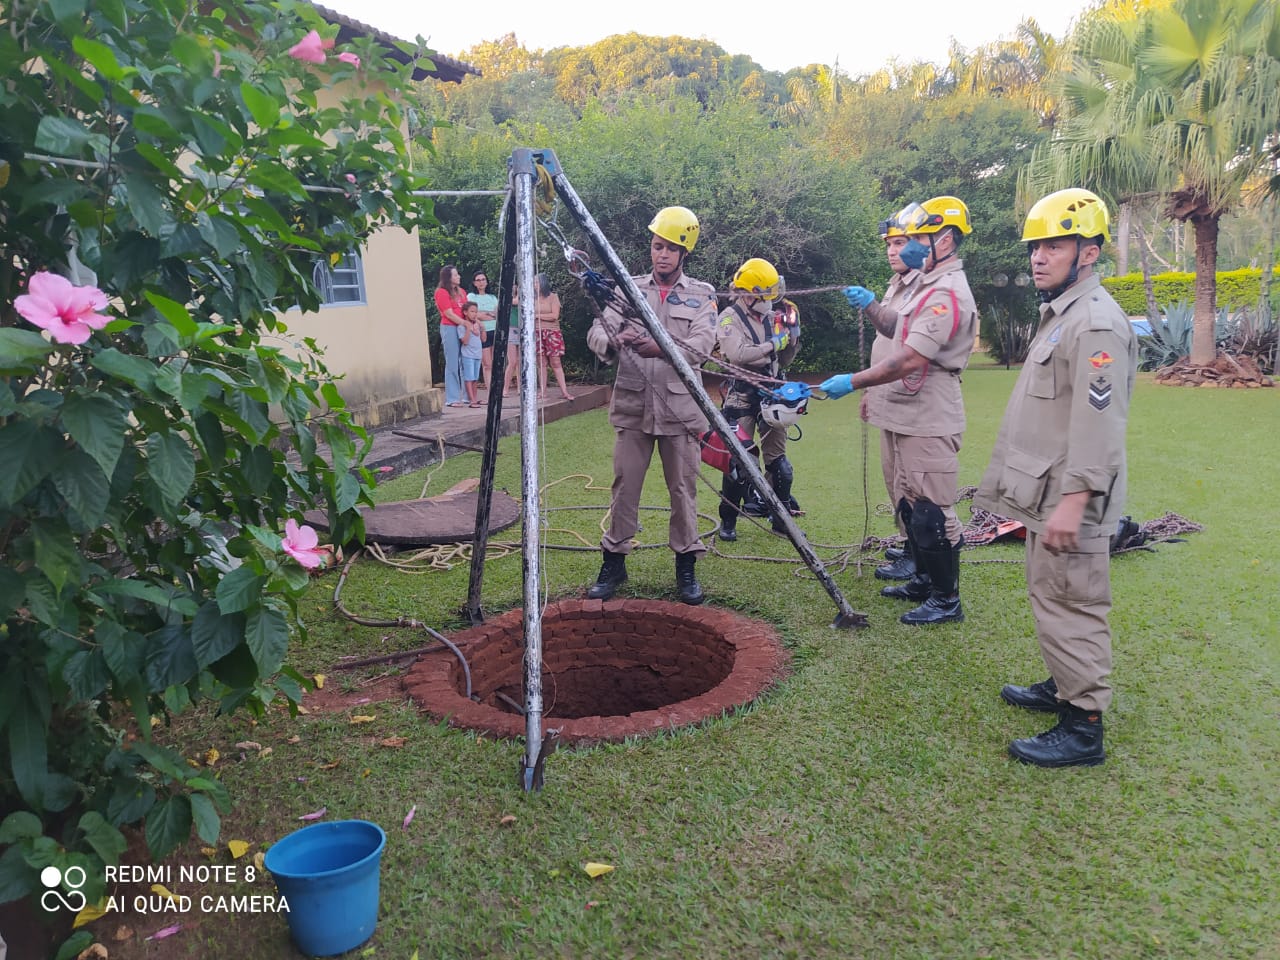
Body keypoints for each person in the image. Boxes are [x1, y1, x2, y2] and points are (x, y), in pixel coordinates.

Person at [974, 188, 1137, 768]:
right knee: (1052, 595)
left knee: (1073, 603)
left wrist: (1076, 499)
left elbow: (1100, 424)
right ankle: (1062, 683)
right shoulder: (1062, 315)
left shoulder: (1094, 324)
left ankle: (1082, 725)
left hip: (1072, 496)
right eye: (1034, 246)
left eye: (1054, 244)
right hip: (1048, 491)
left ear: (1089, 252)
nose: (1038, 257)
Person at [820, 196, 978, 626]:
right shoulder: (924, 284)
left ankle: (946, 599)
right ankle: (925, 580)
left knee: (931, 509)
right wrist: (872, 304)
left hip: (928, 409)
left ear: (944, 241)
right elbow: (896, 326)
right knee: (908, 501)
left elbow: (910, 358)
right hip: (904, 406)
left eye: (918, 238)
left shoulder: (946, 292)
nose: (906, 246)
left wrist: (851, 382)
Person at [585, 205, 718, 604]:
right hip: (632, 405)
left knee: (683, 489)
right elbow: (597, 331)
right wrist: (612, 337)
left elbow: (702, 345)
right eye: (657, 246)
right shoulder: (629, 288)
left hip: (680, 410)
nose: (661, 254)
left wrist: (659, 347)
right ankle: (614, 561)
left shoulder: (702, 294)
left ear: (684, 254)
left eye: (670, 248)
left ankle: (686, 565)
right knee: (625, 486)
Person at [860, 211, 927, 580]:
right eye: (888, 245)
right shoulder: (895, 285)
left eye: (899, 243)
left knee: (911, 481)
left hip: (911, 400)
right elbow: (883, 342)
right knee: (892, 477)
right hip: (886, 395)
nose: (891, 251)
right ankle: (908, 542)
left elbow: (908, 342)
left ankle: (919, 555)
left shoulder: (925, 287)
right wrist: (870, 391)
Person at [714, 257, 801, 540]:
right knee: (739, 463)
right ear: (749, 294)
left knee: (780, 465)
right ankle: (728, 521)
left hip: (772, 395)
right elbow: (738, 354)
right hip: (740, 398)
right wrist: (772, 344)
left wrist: (793, 335)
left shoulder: (772, 317)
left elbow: (784, 359)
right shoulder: (728, 318)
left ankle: (780, 518)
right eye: (765, 294)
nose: (770, 300)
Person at [534, 273, 573, 402]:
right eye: (534, 283)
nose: (535, 285)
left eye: (537, 282)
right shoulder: (532, 298)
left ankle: (564, 391)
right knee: (541, 363)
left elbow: (554, 316)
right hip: (537, 332)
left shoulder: (553, 297)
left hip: (552, 332)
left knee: (555, 362)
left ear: (543, 283)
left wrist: (537, 316)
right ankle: (543, 392)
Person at [434, 264, 468, 407]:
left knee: (466, 361)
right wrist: (465, 324)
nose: (458, 276)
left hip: (463, 326)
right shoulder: (441, 292)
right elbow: (448, 313)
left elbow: (467, 309)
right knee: (452, 362)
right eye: (455, 275)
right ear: (448, 278)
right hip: (450, 327)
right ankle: (452, 398)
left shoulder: (462, 292)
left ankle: (468, 396)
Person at [468, 270, 499, 389]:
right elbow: (474, 315)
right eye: (478, 280)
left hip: (494, 330)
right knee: (487, 363)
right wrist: (488, 314)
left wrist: (484, 313)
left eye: (483, 279)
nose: (481, 282)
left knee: (495, 362)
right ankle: (490, 389)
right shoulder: (471, 296)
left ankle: (496, 388)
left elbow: (497, 314)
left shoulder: (492, 297)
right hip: (482, 331)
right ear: (474, 283)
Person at [459, 300, 484, 408]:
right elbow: (465, 341)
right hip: (468, 355)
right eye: (472, 311)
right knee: (469, 378)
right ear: (465, 312)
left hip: (477, 355)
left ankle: (474, 397)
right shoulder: (461, 326)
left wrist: (483, 329)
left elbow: (483, 339)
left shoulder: (477, 325)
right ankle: (471, 400)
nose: (474, 314)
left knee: (475, 378)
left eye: (476, 312)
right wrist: (469, 329)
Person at [502, 282, 521, 396]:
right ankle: (505, 388)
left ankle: (520, 388)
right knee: (512, 361)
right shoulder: (509, 298)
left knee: (520, 362)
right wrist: (519, 292)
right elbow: (515, 302)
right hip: (510, 329)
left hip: (521, 329)